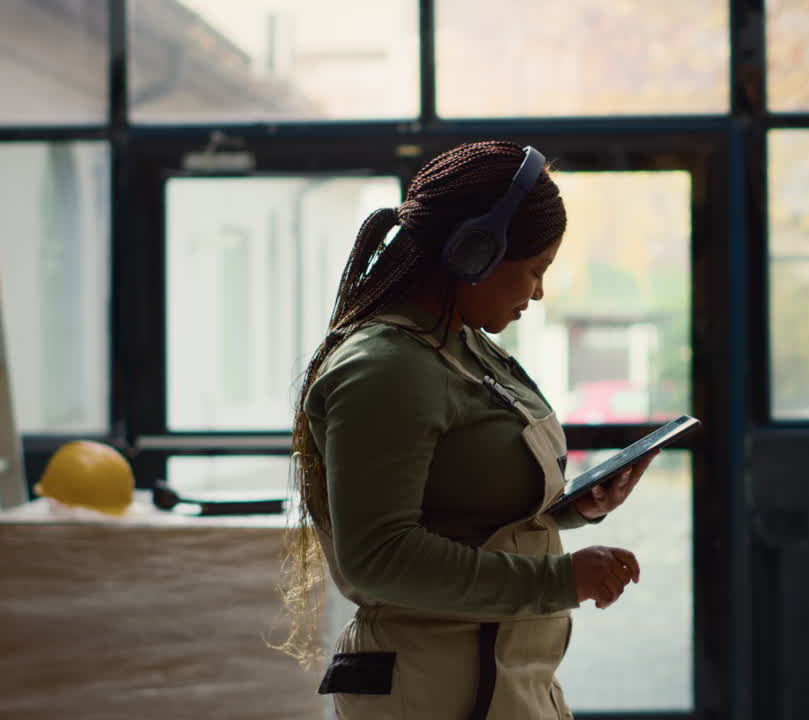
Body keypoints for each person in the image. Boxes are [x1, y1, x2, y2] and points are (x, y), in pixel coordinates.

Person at [279, 140, 656, 720]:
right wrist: (559, 581)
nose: (538, 292)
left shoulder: (466, 348)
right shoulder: (386, 367)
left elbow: (462, 514)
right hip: (433, 690)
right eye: (535, 270)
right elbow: (378, 556)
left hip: (500, 680)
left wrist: (573, 510)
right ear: (477, 250)